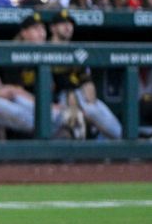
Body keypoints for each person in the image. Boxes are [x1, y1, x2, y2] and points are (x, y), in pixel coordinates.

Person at [48, 10, 122, 139]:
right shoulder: (45, 49)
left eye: (70, 24)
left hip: (79, 95)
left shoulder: (76, 50)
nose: (68, 27)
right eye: (63, 23)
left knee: (98, 106)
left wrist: (88, 84)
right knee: (91, 110)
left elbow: (85, 78)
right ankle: (125, 142)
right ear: (53, 28)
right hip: (59, 98)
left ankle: (125, 140)